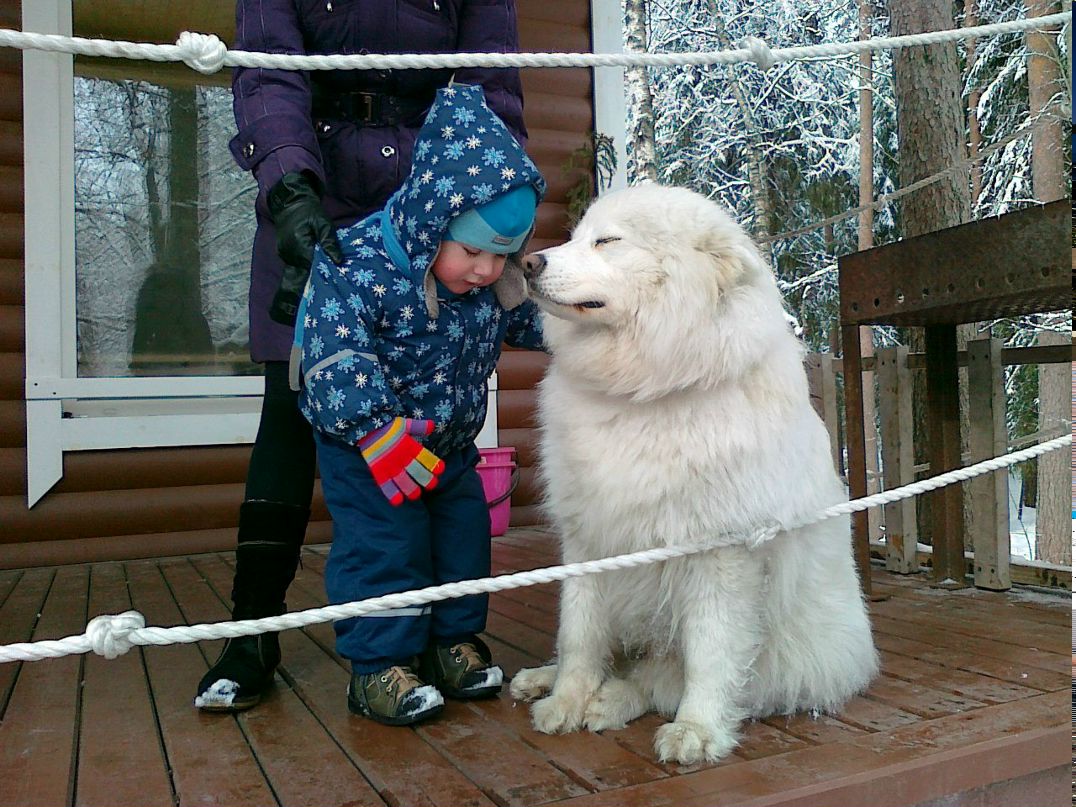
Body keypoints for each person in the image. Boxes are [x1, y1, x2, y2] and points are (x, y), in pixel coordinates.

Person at [196, 0, 529, 712]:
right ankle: (253, 629)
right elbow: (269, 70)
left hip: (440, 194)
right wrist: (288, 186)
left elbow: (489, 85)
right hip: (316, 188)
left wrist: (491, 207)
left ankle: (446, 636)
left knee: (443, 479)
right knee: (293, 406)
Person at [296, 83, 546, 725]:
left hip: (449, 447)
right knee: (386, 547)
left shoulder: (487, 284)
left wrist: (599, 328)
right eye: (472, 251)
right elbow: (333, 357)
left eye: (501, 254)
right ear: (431, 220)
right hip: (371, 446)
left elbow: (538, 324)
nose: (487, 271)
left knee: (463, 543)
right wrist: (375, 429)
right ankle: (380, 668)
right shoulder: (358, 264)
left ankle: (450, 644)